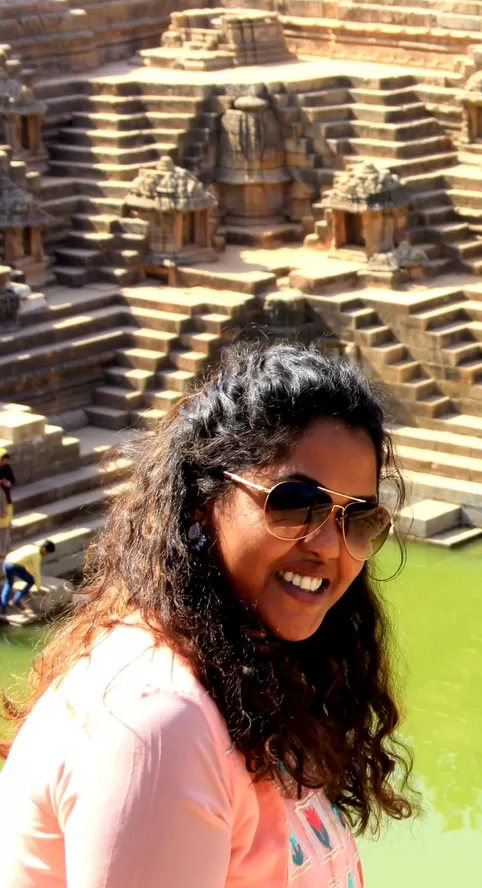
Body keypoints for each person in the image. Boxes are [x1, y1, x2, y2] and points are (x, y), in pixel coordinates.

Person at [0, 343, 414, 887]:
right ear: (204, 500)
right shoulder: (154, 724)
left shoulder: (250, 678)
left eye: (357, 519)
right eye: (294, 503)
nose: (330, 547)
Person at [1, 539, 54, 612]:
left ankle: (3, 605)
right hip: (14, 566)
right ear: (44, 549)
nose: (47, 555)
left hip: (6, 562)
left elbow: (28, 565)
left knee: (9, 583)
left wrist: (30, 574)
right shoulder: (36, 555)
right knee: (31, 581)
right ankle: (16, 600)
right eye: (47, 553)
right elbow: (36, 572)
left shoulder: (31, 547)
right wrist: (38, 588)